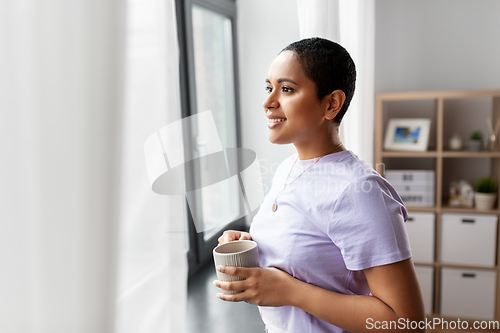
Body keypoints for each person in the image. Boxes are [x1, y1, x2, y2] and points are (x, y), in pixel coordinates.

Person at [213, 37, 425, 333]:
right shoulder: (287, 169)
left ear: (331, 103)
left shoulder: (359, 190)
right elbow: (312, 248)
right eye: (268, 87)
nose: (268, 102)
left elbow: (406, 322)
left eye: (286, 89)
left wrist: (292, 292)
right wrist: (251, 240)